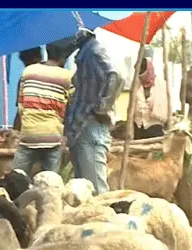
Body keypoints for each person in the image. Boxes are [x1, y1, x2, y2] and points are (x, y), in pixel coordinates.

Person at [63, 28, 124, 195]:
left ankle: (103, 219)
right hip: (81, 127)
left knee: (96, 190)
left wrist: (102, 107)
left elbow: (115, 75)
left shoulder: (94, 51)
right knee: (83, 191)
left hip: (89, 126)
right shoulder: (85, 54)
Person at [12, 45, 74, 177]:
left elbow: (22, 107)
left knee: (17, 176)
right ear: (63, 58)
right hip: (53, 135)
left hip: (29, 134)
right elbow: (71, 106)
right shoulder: (67, 76)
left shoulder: (28, 71)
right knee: (51, 181)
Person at [132, 58, 169, 140]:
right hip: (138, 127)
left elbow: (165, 107)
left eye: (142, 73)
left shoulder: (162, 84)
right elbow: (132, 106)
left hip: (155, 127)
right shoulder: (136, 84)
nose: (140, 77)